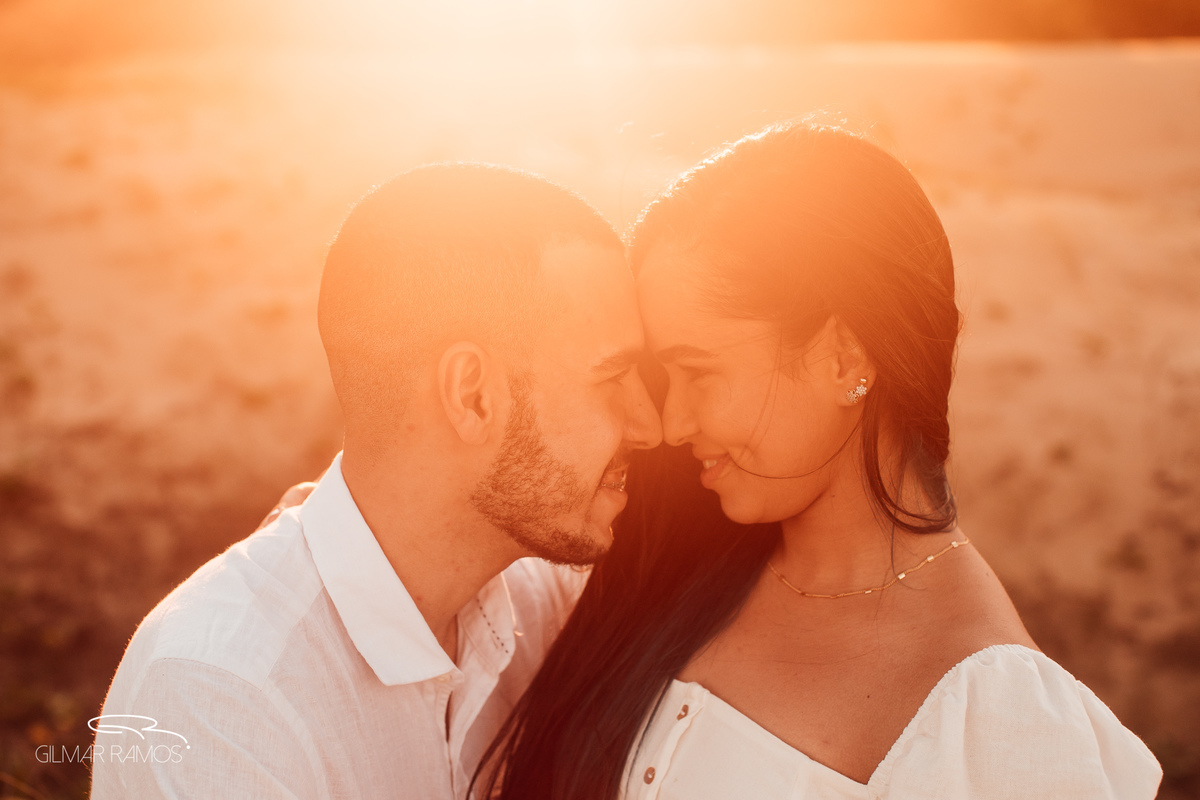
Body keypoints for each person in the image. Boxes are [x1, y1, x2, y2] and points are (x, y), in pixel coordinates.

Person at [478, 122, 1164, 799]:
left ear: (844, 358)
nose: (670, 422)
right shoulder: (656, 557)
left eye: (699, 371)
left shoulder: (997, 722)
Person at [90, 164, 662, 799]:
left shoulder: (539, 599)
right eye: (612, 378)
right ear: (472, 396)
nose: (650, 424)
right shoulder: (222, 698)